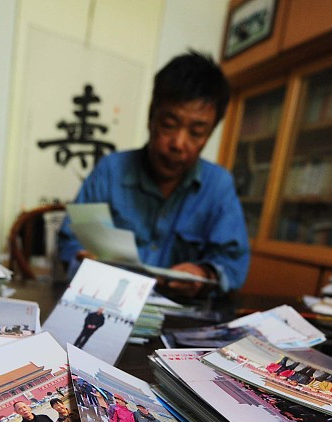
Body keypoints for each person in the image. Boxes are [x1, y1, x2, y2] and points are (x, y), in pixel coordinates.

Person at [58, 51, 250, 297]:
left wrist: (204, 274)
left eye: (196, 132)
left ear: (210, 134)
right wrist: (82, 260)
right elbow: (71, 241)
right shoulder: (110, 171)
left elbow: (233, 264)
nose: (178, 143)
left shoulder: (218, 186)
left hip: (181, 316)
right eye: (169, 125)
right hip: (108, 303)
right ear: (151, 116)